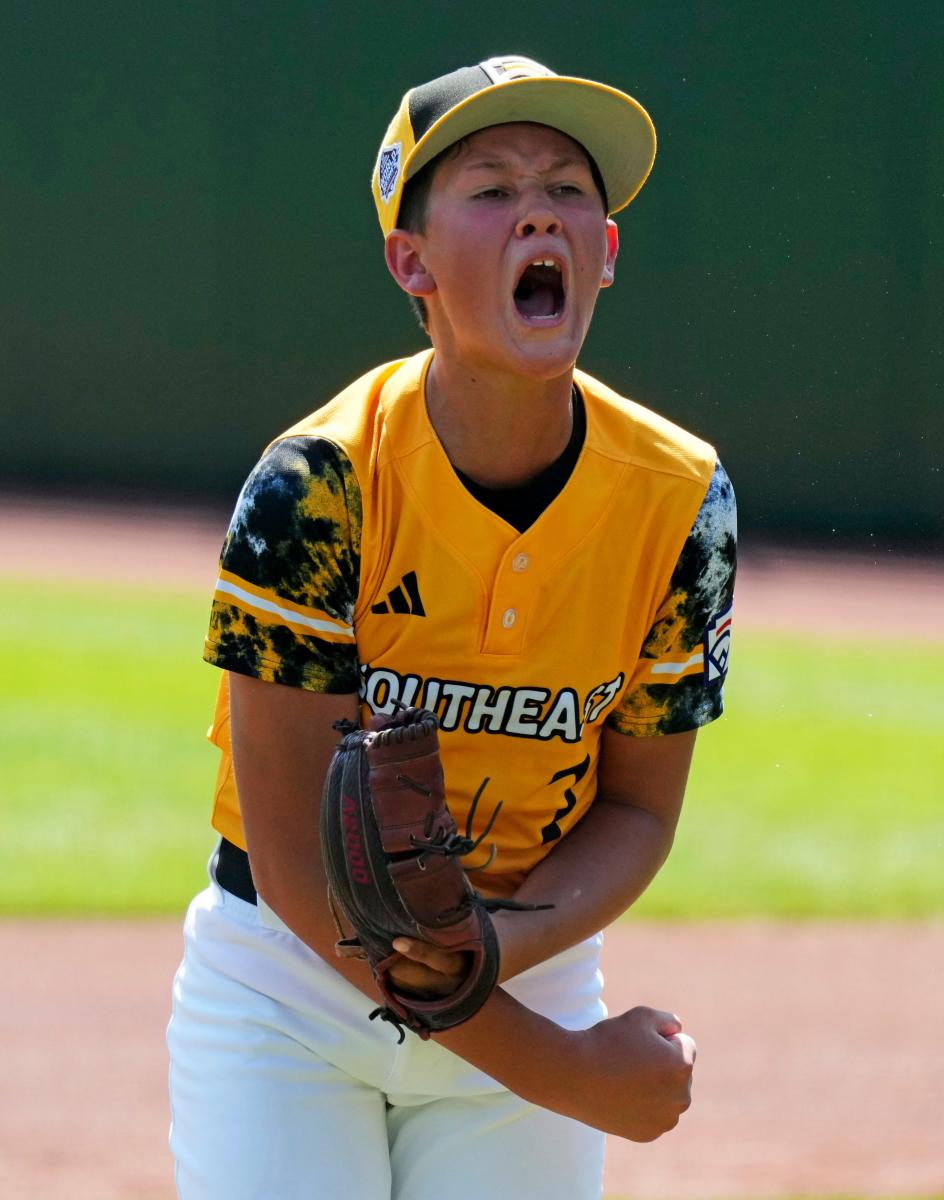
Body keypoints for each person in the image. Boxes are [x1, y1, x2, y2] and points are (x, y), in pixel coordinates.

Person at [167, 54, 736, 1200]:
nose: (540, 206)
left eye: (571, 188)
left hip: (527, 953)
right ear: (409, 262)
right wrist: (568, 1071)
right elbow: (296, 867)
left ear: (606, 255)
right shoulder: (316, 486)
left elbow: (637, 806)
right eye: (489, 185)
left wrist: (488, 955)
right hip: (293, 991)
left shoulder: (682, 498)